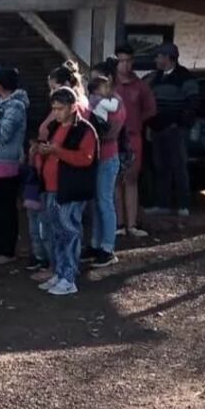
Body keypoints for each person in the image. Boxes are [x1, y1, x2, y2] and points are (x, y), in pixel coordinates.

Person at [34, 87, 98, 296]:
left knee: (68, 233)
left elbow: (85, 159)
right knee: (55, 233)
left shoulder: (85, 130)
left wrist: (56, 151)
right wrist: (41, 152)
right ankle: (60, 273)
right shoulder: (54, 127)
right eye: (54, 109)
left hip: (70, 191)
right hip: (52, 189)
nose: (56, 113)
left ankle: (69, 277)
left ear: (72, 107)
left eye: (60, 109)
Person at [147, 43, 199, 217]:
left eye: (159, 56)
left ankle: (183, 205)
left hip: (176, 130)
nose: (156, 59)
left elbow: (193, 104)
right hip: (157, 129)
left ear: (169, 58)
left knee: (178, 166)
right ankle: (162, 204)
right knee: (161, 167)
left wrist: (180, 123)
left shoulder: (185, 78)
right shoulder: (156, 77)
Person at [113, 45, 157, 238]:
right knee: (114, 180)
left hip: (132, 136)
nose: (125, 65)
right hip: (112, 138)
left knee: (131, 179)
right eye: (121, 60)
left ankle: (131, 224)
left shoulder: (140, 86)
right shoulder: (109, 83)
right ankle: (118, 224)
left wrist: (136, 121)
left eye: (128, 60)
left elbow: (151, 110)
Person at [86, 73, 127, 268]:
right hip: (105, 155)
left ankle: (107, 247)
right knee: (99, 202)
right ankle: (97, 244)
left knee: (104, 201)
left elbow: (110, 130)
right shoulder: (111, 102)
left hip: (107, 155)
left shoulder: (112, 103)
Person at [0, 68, 29, 265]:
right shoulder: (0, 103)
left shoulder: (15, 107)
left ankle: (7, 250)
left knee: (6, 209)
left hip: (7, 162)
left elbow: (4, 134)